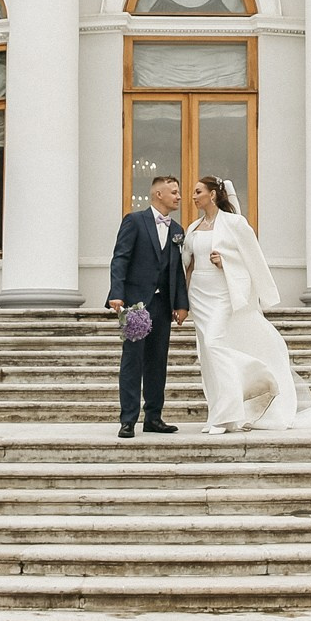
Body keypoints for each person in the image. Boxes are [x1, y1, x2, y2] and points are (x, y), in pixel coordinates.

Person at [182, 176, 311, 433]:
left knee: (215, 345)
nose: (193, 197)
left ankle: (253, 380)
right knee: (208, 355)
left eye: (197, 191)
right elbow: (189, 265)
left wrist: (225, 261)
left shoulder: (236, 224)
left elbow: (253, 260)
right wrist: (182, 300)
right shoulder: (193, 227)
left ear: (213, 194)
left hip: (223, 293)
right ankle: (219, 414)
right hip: (199, 296)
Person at [106, 174, 188, 439]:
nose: (178, 196)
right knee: (132, 360)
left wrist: (181, 304)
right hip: (135, 304)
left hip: (163, 305)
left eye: (179, 192)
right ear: (158, 195)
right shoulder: (134, 221)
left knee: (157, 362)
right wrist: (116, 294)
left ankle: (153, 417)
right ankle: (128, 419)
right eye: (174, 192)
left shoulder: (177, 229)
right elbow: (120, 258)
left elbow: (177, 271)